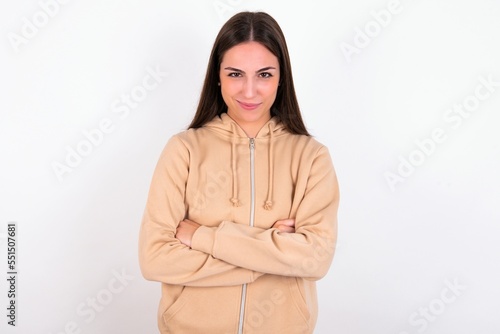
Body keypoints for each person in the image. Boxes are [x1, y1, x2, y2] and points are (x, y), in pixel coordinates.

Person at [139, 11, 339, 334]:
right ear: (217, 76)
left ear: (281, 78)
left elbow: (316, 259)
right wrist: (273, 254)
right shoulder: (184, 150)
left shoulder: (311, 158)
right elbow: (155, 258)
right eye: (235, 74)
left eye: (264, 75)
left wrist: (202, 237)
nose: (249, 91)